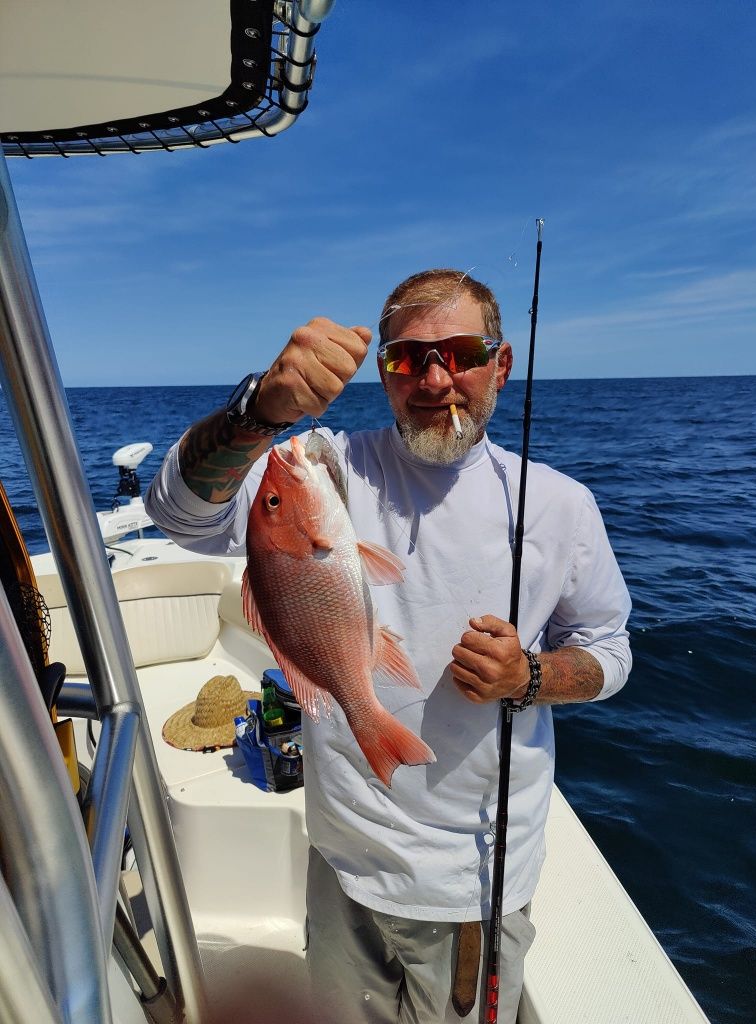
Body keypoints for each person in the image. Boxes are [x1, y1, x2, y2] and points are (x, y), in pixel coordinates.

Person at [145, 269, 632, 1023]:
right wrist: (260, 408)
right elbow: (180, 516)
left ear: (501, 366)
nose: (435, 379)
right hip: (339, 856)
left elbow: (610, 649)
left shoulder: (564, 506)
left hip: (468, 881)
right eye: (408, 358)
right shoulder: (325, 464)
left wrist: (530, 674)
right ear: (384, 372)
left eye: (462, 353)